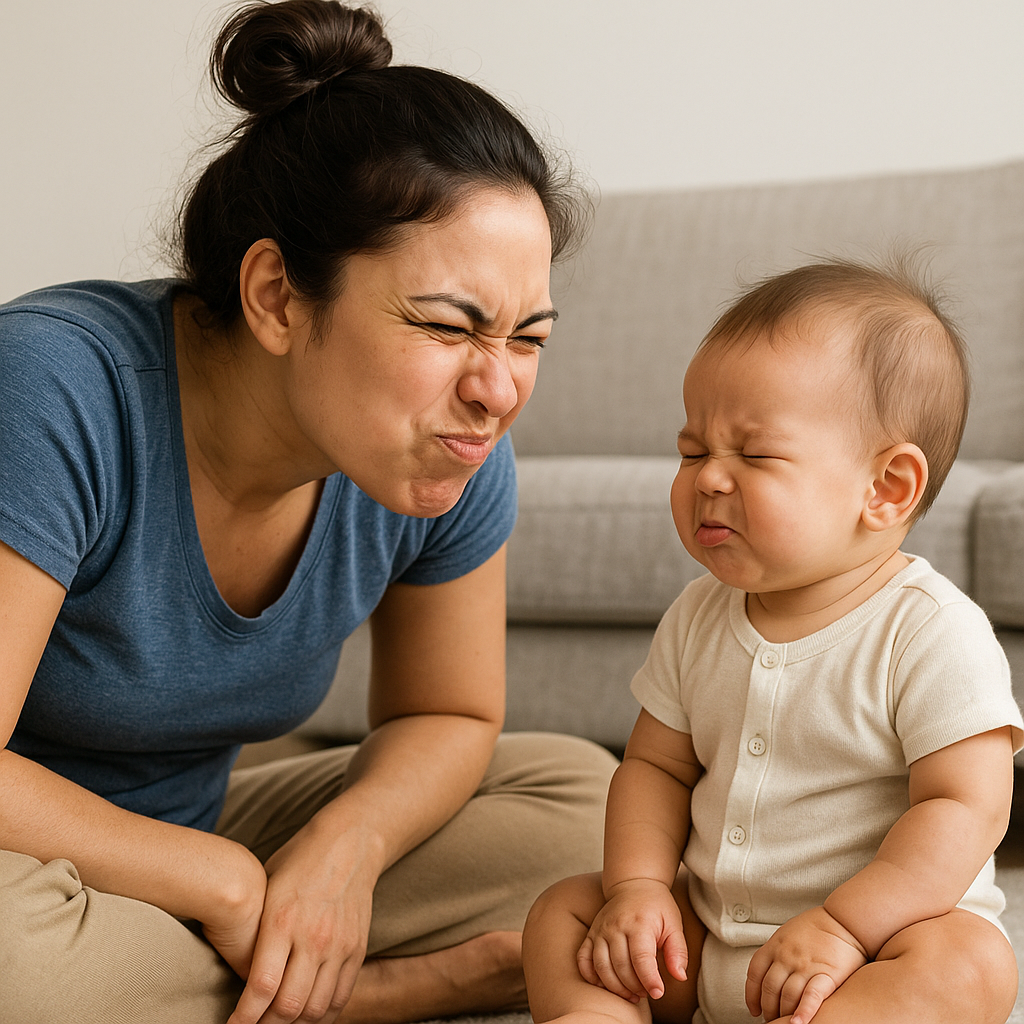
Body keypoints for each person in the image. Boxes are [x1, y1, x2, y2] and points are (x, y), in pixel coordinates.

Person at [0, 2, 618, 1022]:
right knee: (17, 966)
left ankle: (214, 979)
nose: (498, 389)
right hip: (31, 861)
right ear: (278, 295)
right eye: (448, 325)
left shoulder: (450, 447)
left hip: (196, 833)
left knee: (586, 813)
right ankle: (354, 996)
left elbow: (447, 713)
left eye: (528, 338)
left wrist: (349, 847)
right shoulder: (53, 388)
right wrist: (226, 886)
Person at [522, 256, 1024, 1024]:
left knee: (971, 967)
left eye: (752, 455)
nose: (709, 479)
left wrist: (846, 927)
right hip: (703, 944)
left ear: (886, 489)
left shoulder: (928, 630)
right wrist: (640, 890)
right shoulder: (697, 616)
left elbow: (967, 807)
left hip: (858, 961)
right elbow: (654, 768)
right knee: (564, 913)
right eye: (692, 452)